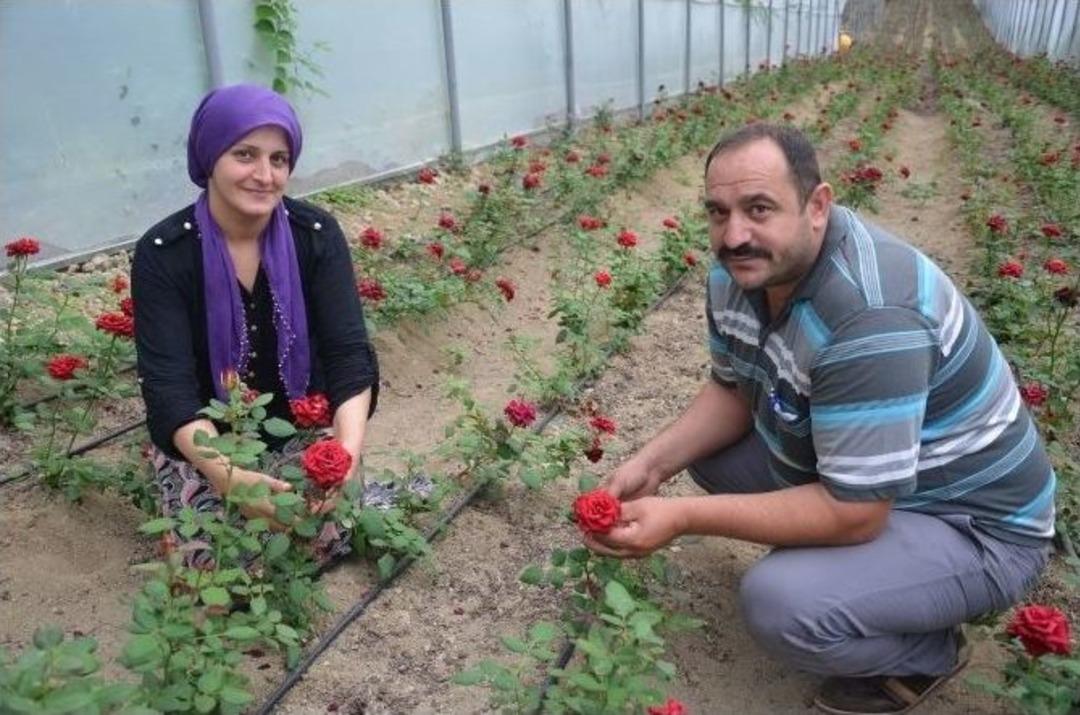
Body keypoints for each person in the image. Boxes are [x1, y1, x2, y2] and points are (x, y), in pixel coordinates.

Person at [584, 123, 1054, 715]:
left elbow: (855, 514)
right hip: (877, 481)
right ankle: (855, 574)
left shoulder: (871, 318)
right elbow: (733, 391)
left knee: (781, 603)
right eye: (718, 212)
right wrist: (651, 465)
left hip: (971, 524)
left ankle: (923, 652)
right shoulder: (739, 274)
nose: (734, 235)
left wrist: (678, 517)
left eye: (759, 209)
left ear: (817, 206)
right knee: (703, 456)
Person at [132, 84, 379, 567]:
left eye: (279, 159)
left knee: (318, 542)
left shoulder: (316, 236)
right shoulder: (164, 254)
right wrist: (225, 474)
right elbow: (169, 389)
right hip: (206, 438)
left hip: (300, 426)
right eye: (245, 154)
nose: (265, 175)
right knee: (214, 575)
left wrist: (343, 458)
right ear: (210, 157)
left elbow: (349, 356)